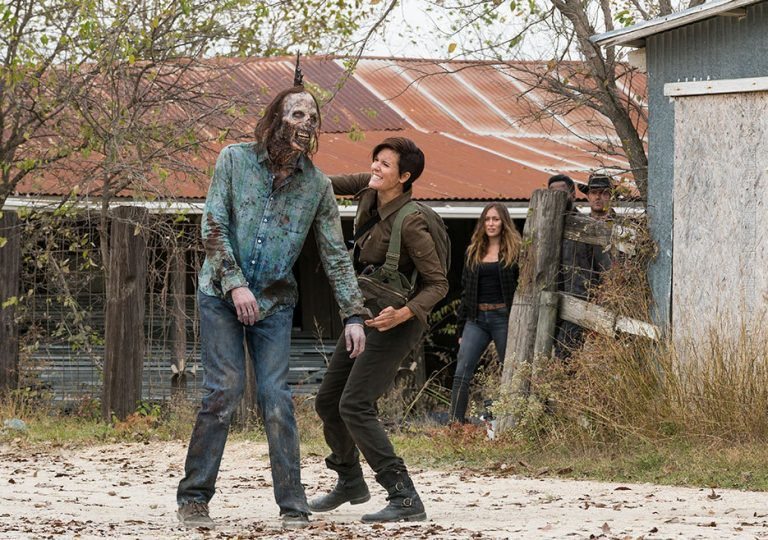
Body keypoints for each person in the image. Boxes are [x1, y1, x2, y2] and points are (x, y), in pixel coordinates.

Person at [175, 79, 370, 530]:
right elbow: (213, 224)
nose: (306, 123)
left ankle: (293, 505)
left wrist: (353, 313)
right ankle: (194, 498)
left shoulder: (316, 186)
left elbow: (334, 254)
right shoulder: (234, 159)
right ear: (276, 119)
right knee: (223, 391)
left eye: (313, 118)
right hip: (221, 294)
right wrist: (235, 284)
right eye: (298, 114)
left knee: (276, 398)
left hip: (275, 303)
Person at [310, 137, 449, 523]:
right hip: (363, 316)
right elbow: (320, 182)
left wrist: (402, 315)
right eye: (375, 160)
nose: (375, 167)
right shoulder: (368, 189)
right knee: (328, 402)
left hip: (397, 324)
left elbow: (438, 285)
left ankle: (404, 496)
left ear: (404, 177)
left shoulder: (412, 222)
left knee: (354, 404)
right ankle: (350, 481)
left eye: (385, 165)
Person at [449, 203, 522, 423]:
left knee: (511, 371)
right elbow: (465, 292)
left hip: (503, 317)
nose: (491, 224)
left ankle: (512, 423)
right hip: (476, 319)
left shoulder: (514, 251)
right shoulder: (473, 251)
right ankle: (455, 424)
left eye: (495, 219)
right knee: (462, 371)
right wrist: (461, 329)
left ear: (504, 222)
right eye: (487, 219)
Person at [553, 173, 614, 359]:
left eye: (603, 193)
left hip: (601, 301)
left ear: (610, 196)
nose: (598, 197)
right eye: (594, 192)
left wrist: (603, 299)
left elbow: (609, 271)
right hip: (569, 299)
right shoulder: (577, 226)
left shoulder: (621, 228)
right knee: (566, 354)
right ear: (587, 196)